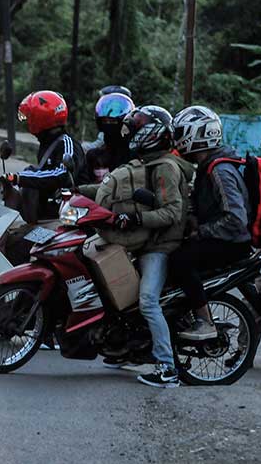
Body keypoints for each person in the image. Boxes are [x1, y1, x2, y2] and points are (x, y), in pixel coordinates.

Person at [81, 105, 195, 388]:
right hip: (144, 240)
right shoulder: (147, 162)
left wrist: (135, 218)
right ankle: (125, 348)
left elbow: (171, 213)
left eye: (137, 127)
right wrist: (75, 190)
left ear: (152, 133)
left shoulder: (166, 167)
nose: (131, 132)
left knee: (146, 300)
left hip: (161, 246)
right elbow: (114, 189)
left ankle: (168, 368)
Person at [168, 106, 253, 340]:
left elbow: (236, 219)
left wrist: (201, 232)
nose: (177, 139)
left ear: (200, 134)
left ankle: (205, 321)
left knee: (180, 260)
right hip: (221, 237)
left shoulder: (220, 170)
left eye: (182, 133)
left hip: (232, 242)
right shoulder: (207, 167)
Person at [0, 90, 87, 222]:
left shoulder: (67, 144)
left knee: (29, 173)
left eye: (30, 117)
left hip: (68, 214)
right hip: (48, 210)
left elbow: (61, 175)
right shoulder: (47, 143)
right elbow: (41, 176)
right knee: (30, 171)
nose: (27, 122)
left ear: (40, 119)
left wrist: (18, 178)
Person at [85, 92, 136, 182]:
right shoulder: (94, 156)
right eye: (105, 121)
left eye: (112, 121)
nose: (108, 124)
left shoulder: (133, 154)